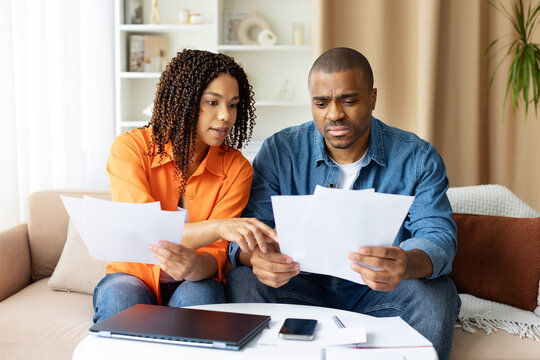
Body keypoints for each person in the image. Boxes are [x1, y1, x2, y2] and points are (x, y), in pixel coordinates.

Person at [225, 47, 461, 360]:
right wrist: (255, 258)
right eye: (321, 103)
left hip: (378, 290)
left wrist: (406, 263)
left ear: (373, 98)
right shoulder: (281, 151)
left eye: (348, 100)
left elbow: (437, 233)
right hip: (299, 286)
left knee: (437, 295)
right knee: (244, 280)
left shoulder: (417, 157)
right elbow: (251, 229)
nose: (334, 114)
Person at [93, 49, 276, 324]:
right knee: (121, 299)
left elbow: (217, 254)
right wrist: (217, 226)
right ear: (185, 101)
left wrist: (193, 266)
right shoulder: (131, 148)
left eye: (234, 104)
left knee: (200, 296)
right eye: (213, 102)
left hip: (197, 279)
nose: (226, 115)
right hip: (132, 275)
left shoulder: (237, 168)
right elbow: (145, 229)